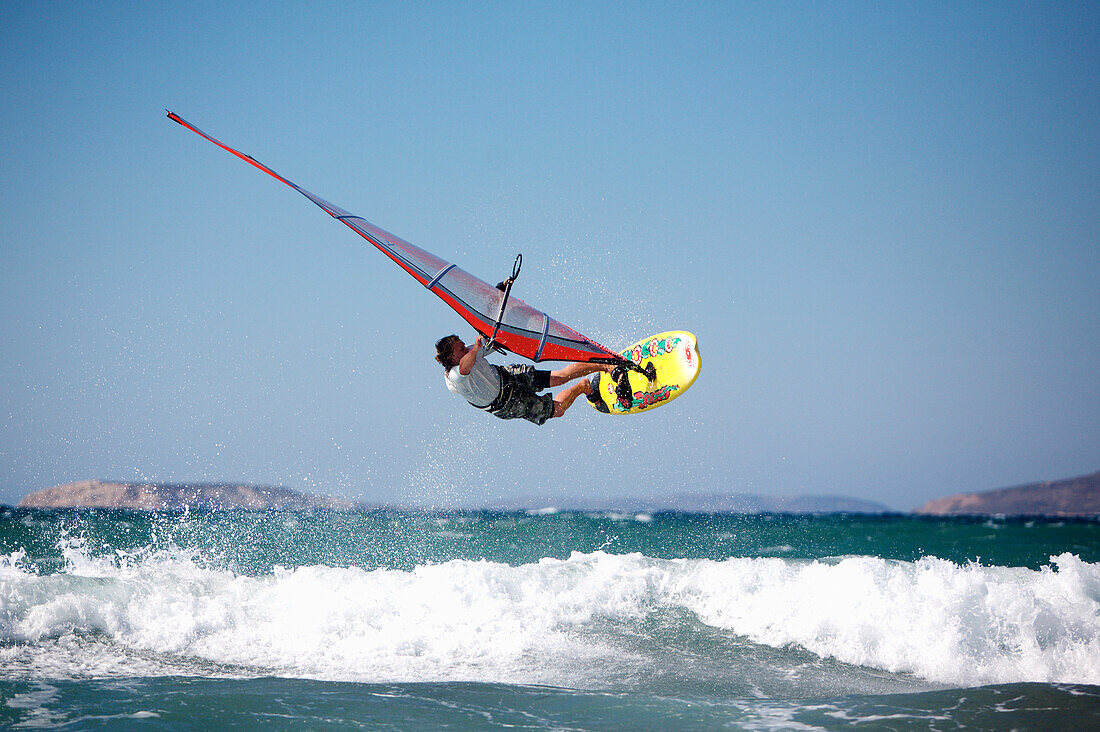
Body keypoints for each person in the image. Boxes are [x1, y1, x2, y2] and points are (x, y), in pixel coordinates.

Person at [434, 334, 626, 424]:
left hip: (508, 377)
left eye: (464, 346)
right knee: (557, 411)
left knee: (558, 377)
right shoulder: (454, 376)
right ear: (452, 358)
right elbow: (466, 366)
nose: (466, 348)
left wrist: (500, 292)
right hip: (506, 405)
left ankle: (608, 364)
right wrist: (475, 349)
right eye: (461, 349)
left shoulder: (470, 352)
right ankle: (583, 387)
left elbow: (492, 333)